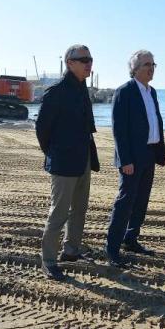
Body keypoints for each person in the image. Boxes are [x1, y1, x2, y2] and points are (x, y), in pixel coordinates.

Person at [35, 44, 100, 280]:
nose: (88, 63)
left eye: (90, 59)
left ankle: (71, 250)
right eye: (83, 59)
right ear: (69, 63)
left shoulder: (82, 88)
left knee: (79, 209)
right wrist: (54, 153)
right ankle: (49, 261)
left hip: (83, 158)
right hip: (63, 162)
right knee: (59, 213)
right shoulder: (57, 92)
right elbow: (42, 129)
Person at [106, 50, 165, 268]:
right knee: (125, 202)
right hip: (131, 157)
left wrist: (160, 152)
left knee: (141, 200)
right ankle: (112, 249)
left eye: (153, 64)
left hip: (149, 154)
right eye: (146, 64)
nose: (151, 68)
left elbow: (155, 122)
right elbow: (119, 129)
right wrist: (125, 160)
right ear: (135, 69)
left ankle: (131, 239)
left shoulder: (152, 92)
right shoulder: (125, 91)